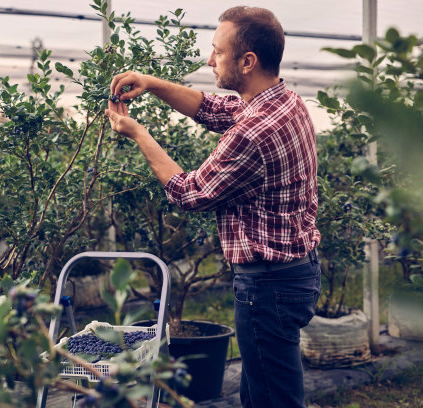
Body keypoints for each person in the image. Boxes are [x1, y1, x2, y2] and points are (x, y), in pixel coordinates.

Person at [105, 6, 321, 408]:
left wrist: (138, 133)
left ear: (247, 61)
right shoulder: (283, 102)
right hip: (294, 272)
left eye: (217, 52)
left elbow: (190, 192)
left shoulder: (255, 130)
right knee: (261, 393)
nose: (209, 60)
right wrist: (151, 83)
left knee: (275, 399)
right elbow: (212, 108)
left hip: (268, 285)